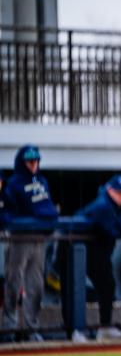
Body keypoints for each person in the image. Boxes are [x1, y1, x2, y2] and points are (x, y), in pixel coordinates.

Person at [75, 175, 121, 341]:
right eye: (118, 192)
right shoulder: (102, 205)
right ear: (109, 190)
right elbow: (110, 230)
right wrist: (120, 225)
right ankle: (76, 331)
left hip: (100, 252)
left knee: (107, 286)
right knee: (75, 288)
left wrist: (118, 222)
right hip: (75, 248)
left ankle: (104, 327)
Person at [2, 145, 58, 341]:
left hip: (39, 239)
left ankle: (31, 329)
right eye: (30, 161)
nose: (34, 164)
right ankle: (9, 328)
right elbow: (10, 213)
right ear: (23, 162)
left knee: (36, 285)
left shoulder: (42, 181)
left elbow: (48, 209)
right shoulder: (14, 184)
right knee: (13, 282)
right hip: (19, 239)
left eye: (36, 161)